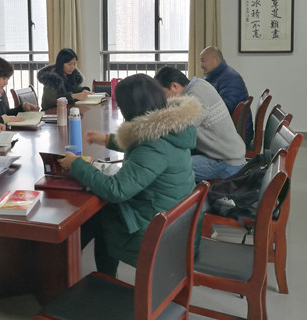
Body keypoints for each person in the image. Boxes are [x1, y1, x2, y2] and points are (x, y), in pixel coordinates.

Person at [57, 73, 200, 276]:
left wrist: (76, 164)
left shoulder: (153, 144)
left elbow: (116, 190)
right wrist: (107, 140)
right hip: (170, 222)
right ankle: (75, 271)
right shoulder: (170, 129)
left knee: (98, 216)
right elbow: (142, 146)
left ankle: (69, 273)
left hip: (155, 232)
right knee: (97, 212)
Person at [154, 66, 246, 182]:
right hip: (226, 155)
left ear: (174, 86)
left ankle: (192, 194)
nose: (164, 100)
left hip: (225, 162)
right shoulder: (200, 84)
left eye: (163, 94)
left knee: (164, 170)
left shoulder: (195, 97)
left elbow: (182, 134)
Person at [200, 46, 253, 144]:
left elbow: (224, 108)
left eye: (203, 61)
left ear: (216, 60)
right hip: (231, 130)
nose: (201, 65)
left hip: (235, 136)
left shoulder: (230, 79)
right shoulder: (219, 76)